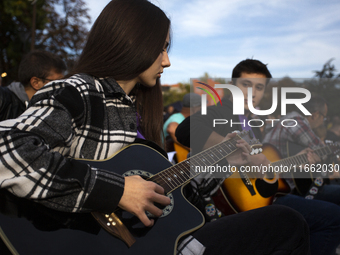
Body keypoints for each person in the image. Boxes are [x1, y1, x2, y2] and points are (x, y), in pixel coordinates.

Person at [0, 1, 310, 254]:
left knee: (285, 222)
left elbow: (174, 195)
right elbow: (8, 150)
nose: (167, 61)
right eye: (161, 48)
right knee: (287, 222)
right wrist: (116, 190)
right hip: (93, 241)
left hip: (163, 239)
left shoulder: (134, 108)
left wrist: (224, 160)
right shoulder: (78, 91)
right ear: (133, 42)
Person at [176, 59, 340, 255]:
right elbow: (186, 129)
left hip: (262, 199)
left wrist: (298, 161)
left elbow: (263, 169)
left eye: (259, 87)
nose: (252, 92)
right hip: (226, 208)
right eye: (246, 84)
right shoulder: (220, 111)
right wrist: (233, 149)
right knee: (333, 218)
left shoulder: (253, 124)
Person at [0, 50, 66, 121]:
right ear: (35, 83)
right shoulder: (3, 100)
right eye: (57, 82)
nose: (62, 86)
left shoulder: (52, 109)